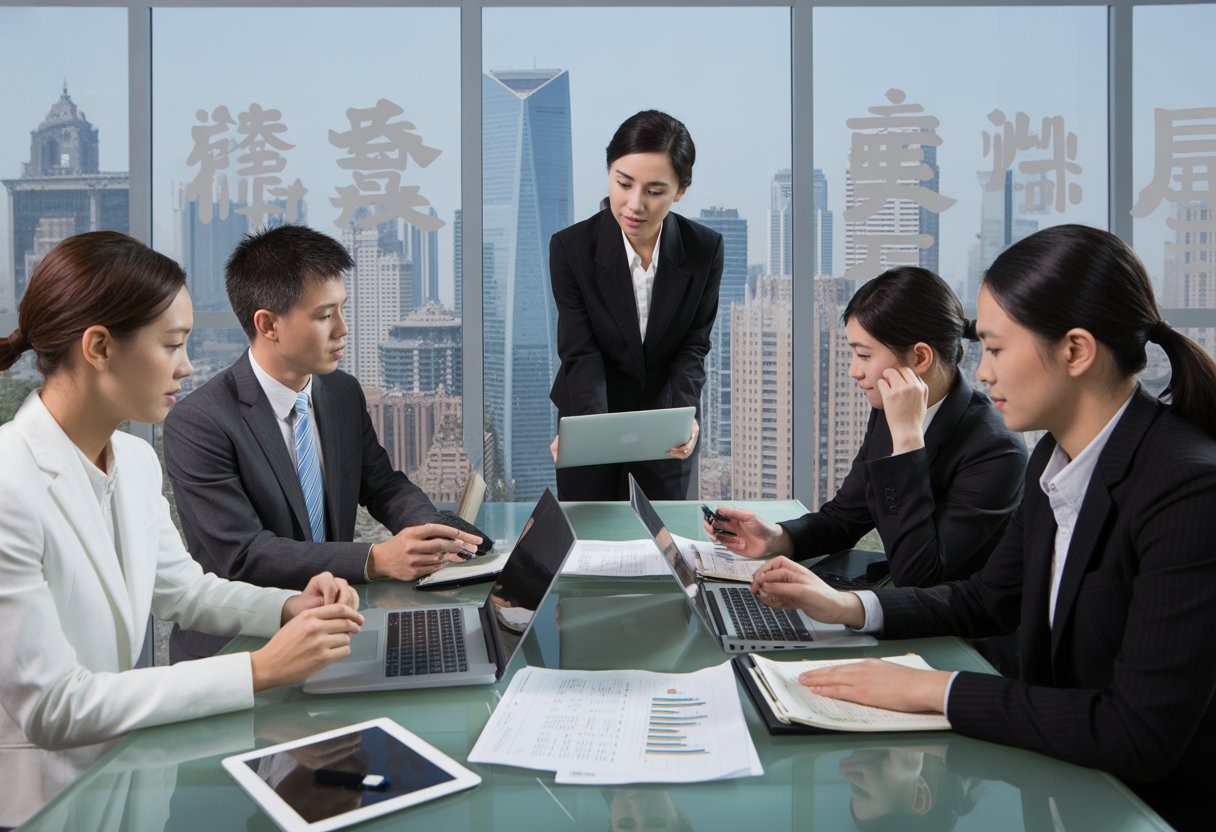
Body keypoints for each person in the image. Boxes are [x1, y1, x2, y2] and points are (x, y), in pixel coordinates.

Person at [750, 224, 1216, 831]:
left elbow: (1137, 734)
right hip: (1064, 787)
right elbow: (988, 599)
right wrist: (849, 609)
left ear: (1075, 350)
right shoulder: (1058, 456)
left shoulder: (1188, 491)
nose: (984, 371)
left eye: (996, 348)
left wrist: (932, 691)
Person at [0, 231, 363, 827]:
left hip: (133, 787)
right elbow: (54, 707)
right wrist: (258, 669)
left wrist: (291, 607)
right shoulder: (13, 485)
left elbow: (185, 591)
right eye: (171, 345)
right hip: (46, 804)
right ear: (98, 347)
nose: (188, 366)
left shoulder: (135, 460)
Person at [163, 224, 485, 661]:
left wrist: (429, 534)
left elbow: (384, 485)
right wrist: (375, 560)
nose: (343, 329)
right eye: (323, 315)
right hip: (242, 651)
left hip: (334, 632)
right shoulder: (199, 422)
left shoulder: (340, 393)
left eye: (342, 310)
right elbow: (243, 555)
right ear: (268, 324)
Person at [707, 267, 1027, 587]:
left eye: (863, 355)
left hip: (959, 631)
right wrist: (778, 536)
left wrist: (906, 443)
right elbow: (844, 518)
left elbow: (919, 573)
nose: (853, 371)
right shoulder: (887, 413)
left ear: (920, 357)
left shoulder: (996, 449)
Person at [549, 109, 723, 500]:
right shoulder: (571, 248)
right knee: (587, 544)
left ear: (681, 190)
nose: (634, 204)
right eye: (623, 183)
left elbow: (693, 346)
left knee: (662, 544)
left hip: (663, 427)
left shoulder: (704, 249)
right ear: (609, 171)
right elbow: (581, 351)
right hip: (588, 415)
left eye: (655, 191)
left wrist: (686, 417)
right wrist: (593, 435)